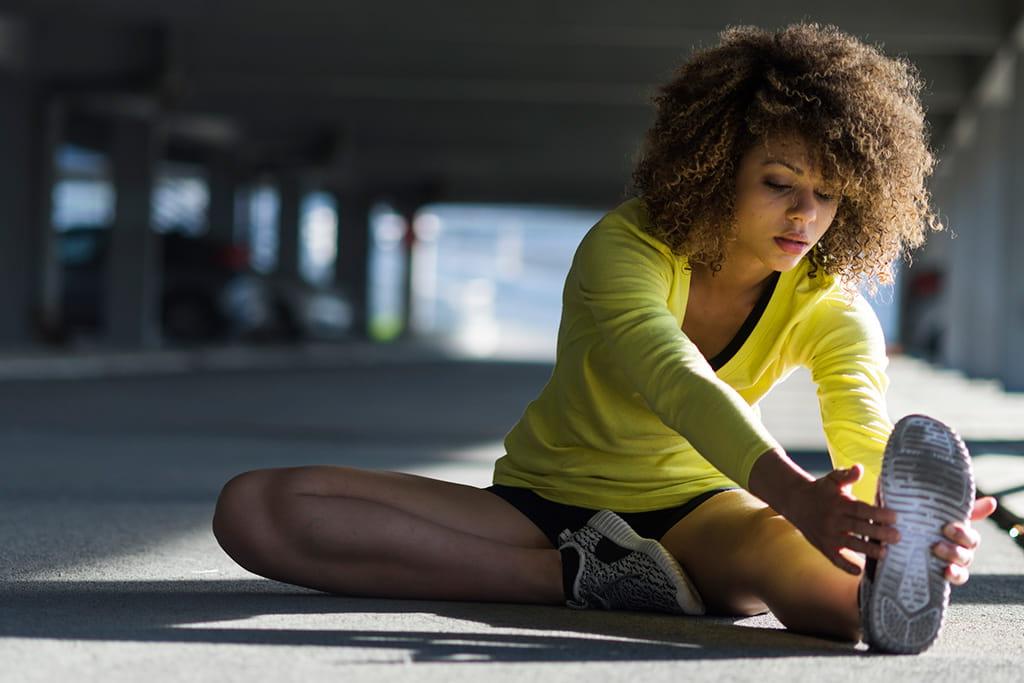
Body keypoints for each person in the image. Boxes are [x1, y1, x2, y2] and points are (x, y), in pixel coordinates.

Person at [211, 23, 997, 653]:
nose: (804, 216)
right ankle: (579, 579)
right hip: (543, 502)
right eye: (778, 182)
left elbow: (861, 419)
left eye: (827, 194)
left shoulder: (831, 305)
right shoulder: (627, 246)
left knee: (847, 601)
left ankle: (878, 579)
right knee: (257, 508)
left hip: (702, 518)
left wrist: (887, 530)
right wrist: (793, 492)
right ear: (717, 161)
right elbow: (672, 373)